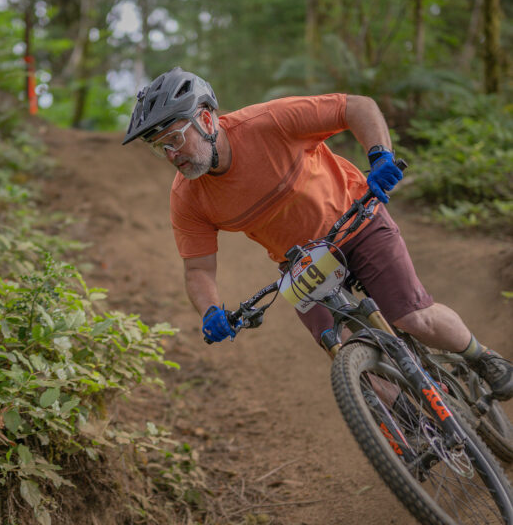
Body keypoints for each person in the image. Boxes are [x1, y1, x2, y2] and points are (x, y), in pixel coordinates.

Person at [122, 67, 513, 400]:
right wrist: (210, 311)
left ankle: (482, 357)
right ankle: (415, 424)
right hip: (302, 263)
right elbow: (198, 271)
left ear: (206, 119)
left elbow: (357, 107)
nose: (172, 156)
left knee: (414, 319)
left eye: (174, 140)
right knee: (343, 355)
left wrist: (380, 156)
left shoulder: (268, 123)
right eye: (161, 150)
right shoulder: (187, 197)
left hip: (355, 219)